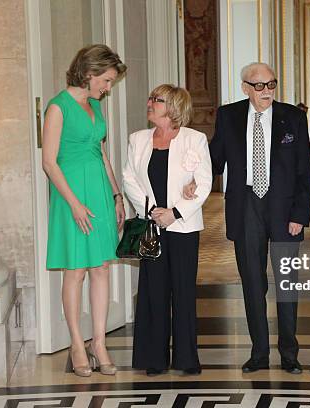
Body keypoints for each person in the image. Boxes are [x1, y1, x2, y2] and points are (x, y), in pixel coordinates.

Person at [208, 63, 310, 374]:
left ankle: (290, 354)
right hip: (246, 207)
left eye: (271, 84)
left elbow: (304, 171)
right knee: (252, 283)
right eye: (259, 86)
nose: (266, 91)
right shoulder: (228, 116)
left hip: (284, 211)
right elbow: (214, 160)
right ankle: (259, 353)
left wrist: (300, 215)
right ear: (245, 87)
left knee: (287, 283)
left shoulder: (293, 117)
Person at [42, 44, 127, 377]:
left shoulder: (94, 106)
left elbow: (101, 153)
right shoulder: (57, 108)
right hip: (71, 197)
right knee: (75, 271)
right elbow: (49, 162)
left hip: (101, 195)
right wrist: (75, 204)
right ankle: (78, 343)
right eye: (106, 81)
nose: (108, 88)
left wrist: (117, 195)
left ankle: (99, 343)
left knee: (102, 268)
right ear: (89, 73)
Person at [123, 84, 212, 376]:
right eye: (150, 98)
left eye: (156, 100)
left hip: (183, 226)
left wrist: (174, 213)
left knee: (184, 291)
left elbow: (204, 183)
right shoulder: (137, 139)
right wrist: (153, 213)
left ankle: (186, 359)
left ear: (173, 107)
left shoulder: (194, 140)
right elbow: (129, 180)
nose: (149, 103)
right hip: (151, 226)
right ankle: (154, 358)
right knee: (153, 291)